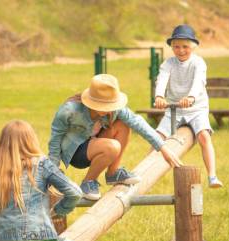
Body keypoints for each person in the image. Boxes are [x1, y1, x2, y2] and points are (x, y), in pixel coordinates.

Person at [49, 74, 182, 200]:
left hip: (97, 144)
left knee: (123, 124)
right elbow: (55, 139)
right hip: (76, 152)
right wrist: (54, 172)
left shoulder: (114, 109)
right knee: (112, 147)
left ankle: (113, 173)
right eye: (104, 106)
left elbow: (138, 123)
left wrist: (163, 148)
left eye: (110, 105)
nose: (108, 109)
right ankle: (88, 183)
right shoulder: (69, 110)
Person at [154, 24, 223, 188]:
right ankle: (143, 175)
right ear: (172, 47)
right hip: (174, 109)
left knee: (204, 137)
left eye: (185, 46)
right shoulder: (168, 63)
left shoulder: (198, 63)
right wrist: (159, 96)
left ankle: (212, 175)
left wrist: (191, 97)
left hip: (196, 109)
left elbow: (198, 82)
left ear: (193, 46)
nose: (181, 50)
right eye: (176, 46)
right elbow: (162, 79)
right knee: (156, 138)